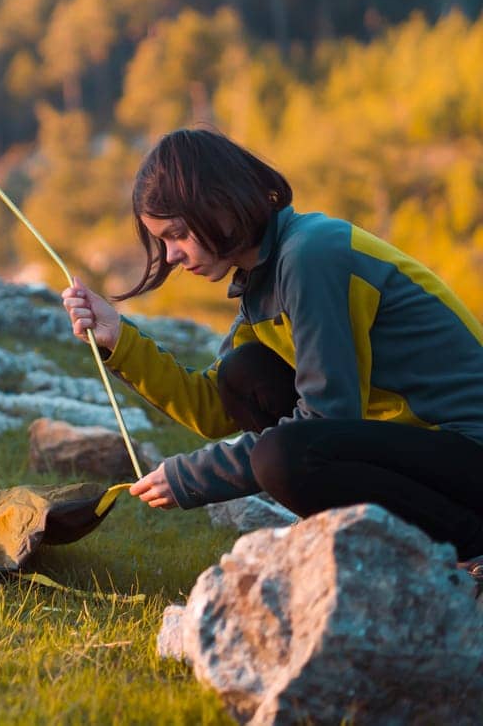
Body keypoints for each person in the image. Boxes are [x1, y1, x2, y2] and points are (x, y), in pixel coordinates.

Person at [60, 128, 483, 587]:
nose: (172, 255)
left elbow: (325, 419)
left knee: (283, 457)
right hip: (425, 452)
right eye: (162, 241)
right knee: (246, 374)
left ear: (220, 203)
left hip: (465, 449)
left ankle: (465, 544)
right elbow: (214, 407)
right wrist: (118, 338)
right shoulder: (264, 278)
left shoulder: (311, 256)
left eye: (177, 234)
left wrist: (193, 476)